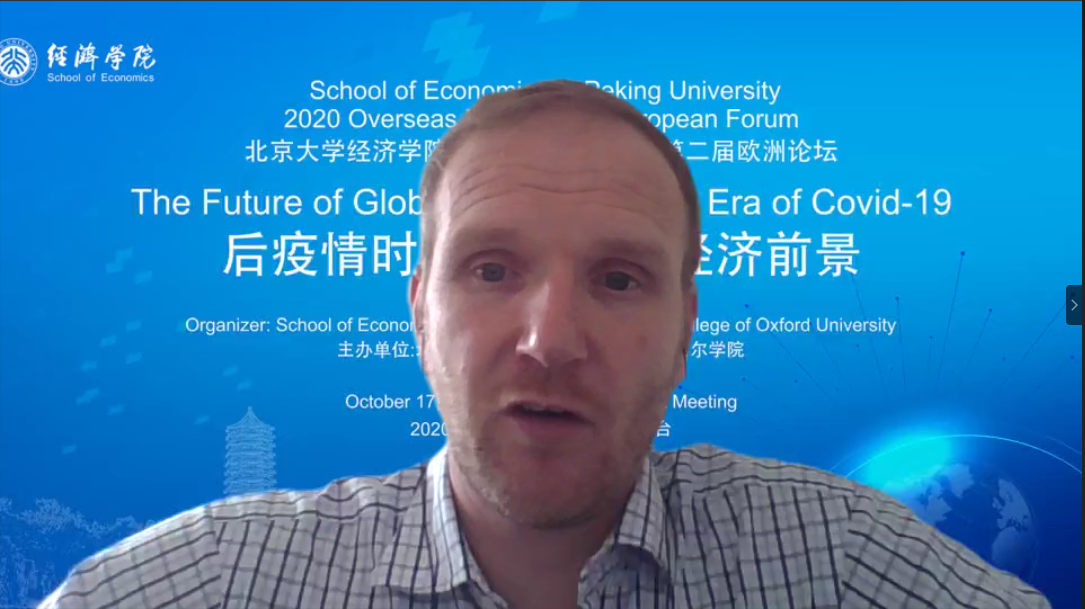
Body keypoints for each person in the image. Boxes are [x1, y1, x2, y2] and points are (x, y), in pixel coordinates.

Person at [39, 80, 1051, 609]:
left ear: (685, 332)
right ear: (418, 313)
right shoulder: (222, 581)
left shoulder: (839, 559)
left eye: (618, 279)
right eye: (490, 270)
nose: (549, 339)